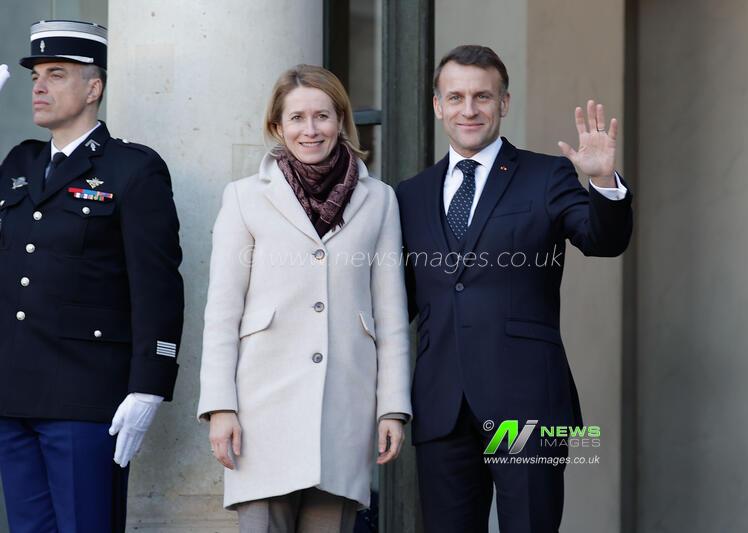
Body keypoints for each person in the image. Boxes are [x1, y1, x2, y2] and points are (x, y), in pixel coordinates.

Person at [395, 45, 633, 532]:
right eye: (455, 96)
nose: (469, 109)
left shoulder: (547, 176)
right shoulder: (408, 194)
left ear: (504, 103)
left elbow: (603, 241)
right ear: (437, 105)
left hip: (527, 408)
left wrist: (603, 182)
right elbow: (394, 304)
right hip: (442, 409)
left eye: (482, 96)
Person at [197, 64, 411, 533]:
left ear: (341, 122)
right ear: (277, 125)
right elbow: (222, 312)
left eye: (322, 116)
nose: (310, 130)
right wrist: (220, 408)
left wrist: (391, 406)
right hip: (259, 413)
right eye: (296, 118)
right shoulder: (244, 198)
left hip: (345, 410)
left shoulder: (380, 200)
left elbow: (390, 312)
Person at [0, 20, 184, 532]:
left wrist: (149, 386)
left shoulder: (133, 170)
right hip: (12, 393)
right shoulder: (19, 163)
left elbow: (158, 287)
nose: (38, 86)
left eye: (55, 74)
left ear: (93, 87)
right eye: (36, 74)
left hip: (84, 395)